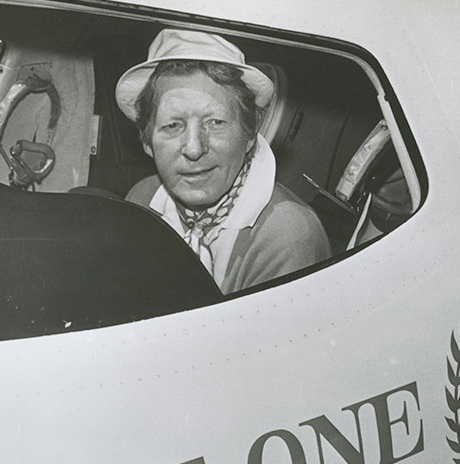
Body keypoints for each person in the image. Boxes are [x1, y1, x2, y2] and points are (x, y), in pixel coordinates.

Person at [115, 29, 331, 293]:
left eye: (215, 123)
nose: (194, 149)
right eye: (172, 125)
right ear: (147, 142)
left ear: (249, 134)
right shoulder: (142, 201)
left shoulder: (289, 234)